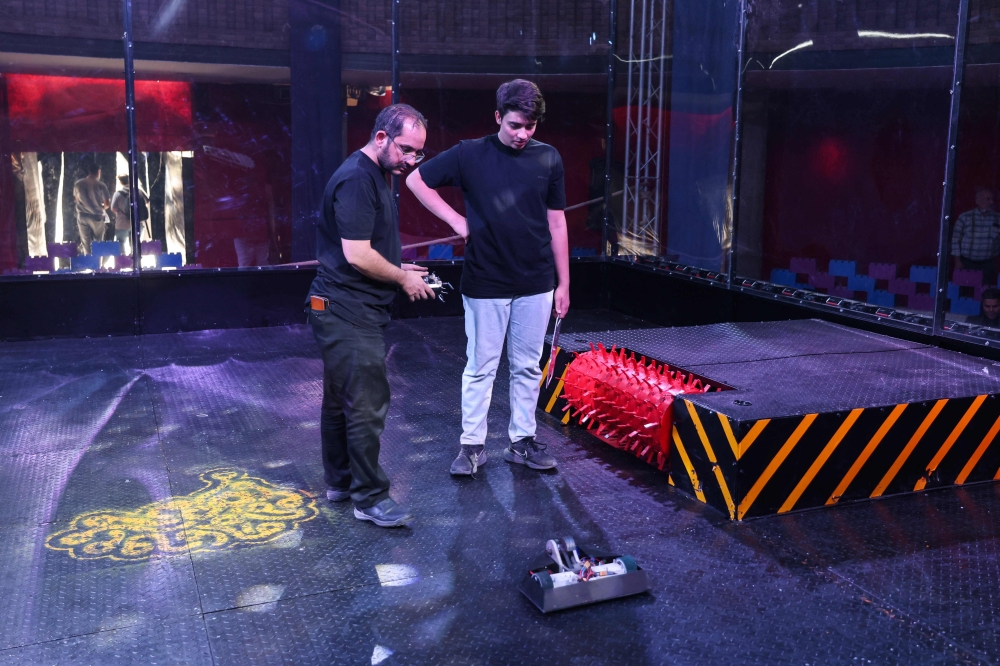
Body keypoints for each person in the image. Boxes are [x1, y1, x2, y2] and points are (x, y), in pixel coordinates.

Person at [406, 79, 570, 478]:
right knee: (481, 366)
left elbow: (557, 223)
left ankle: (522, 442)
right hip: (486, 279)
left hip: (537, 280)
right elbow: (416, 180)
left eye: (530, 127)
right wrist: (456, 220)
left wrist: (564, 283)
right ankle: (472, 447)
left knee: (528, 366)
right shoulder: (470, 153)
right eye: (515, 125)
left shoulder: (548, 158)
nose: (522, 134)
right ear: (498, 117)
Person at [307, 104, 435, 528]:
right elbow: (357, 254)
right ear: (381, 138)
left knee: (340, 400)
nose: (410, 161)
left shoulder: (375, 173)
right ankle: (369, 498)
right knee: (365, 403)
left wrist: (401, 265)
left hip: (343, 306)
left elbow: (369, 244)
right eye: (406, 150)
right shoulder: (359, 178)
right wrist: (402, 278)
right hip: (345, 311)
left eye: (418, 153)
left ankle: (341, 483)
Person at [951, 187, 1000, 285]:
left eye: (992, 199)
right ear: (977, 200)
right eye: (987, 199)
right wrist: (957, 261)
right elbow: (955, 240)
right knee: (964, 294)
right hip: (967, 263)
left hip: (988, 264)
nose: (991, 202)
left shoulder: (998, 218)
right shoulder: (965, 217)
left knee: (986, 293)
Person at [74, 162, 111, 256]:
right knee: (98, 243)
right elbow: (107, 204)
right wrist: (101, 208)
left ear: (89, 171)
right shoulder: (101, 185)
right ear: (98, 172)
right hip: (97, 217)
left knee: (86, 243)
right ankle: (97, 265)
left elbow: (77, 200)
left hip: (82, 216)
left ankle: (89, 265)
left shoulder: (78, 184)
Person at [110, 175, 148, 256]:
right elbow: (146, 201)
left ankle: (123, 262)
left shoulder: (117, 194)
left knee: (121, 242)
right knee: (136, 243)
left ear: (120, 182)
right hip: (137, 222)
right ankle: (136, 262)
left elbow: (113, 208)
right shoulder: (138, 191)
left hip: (122, 223)